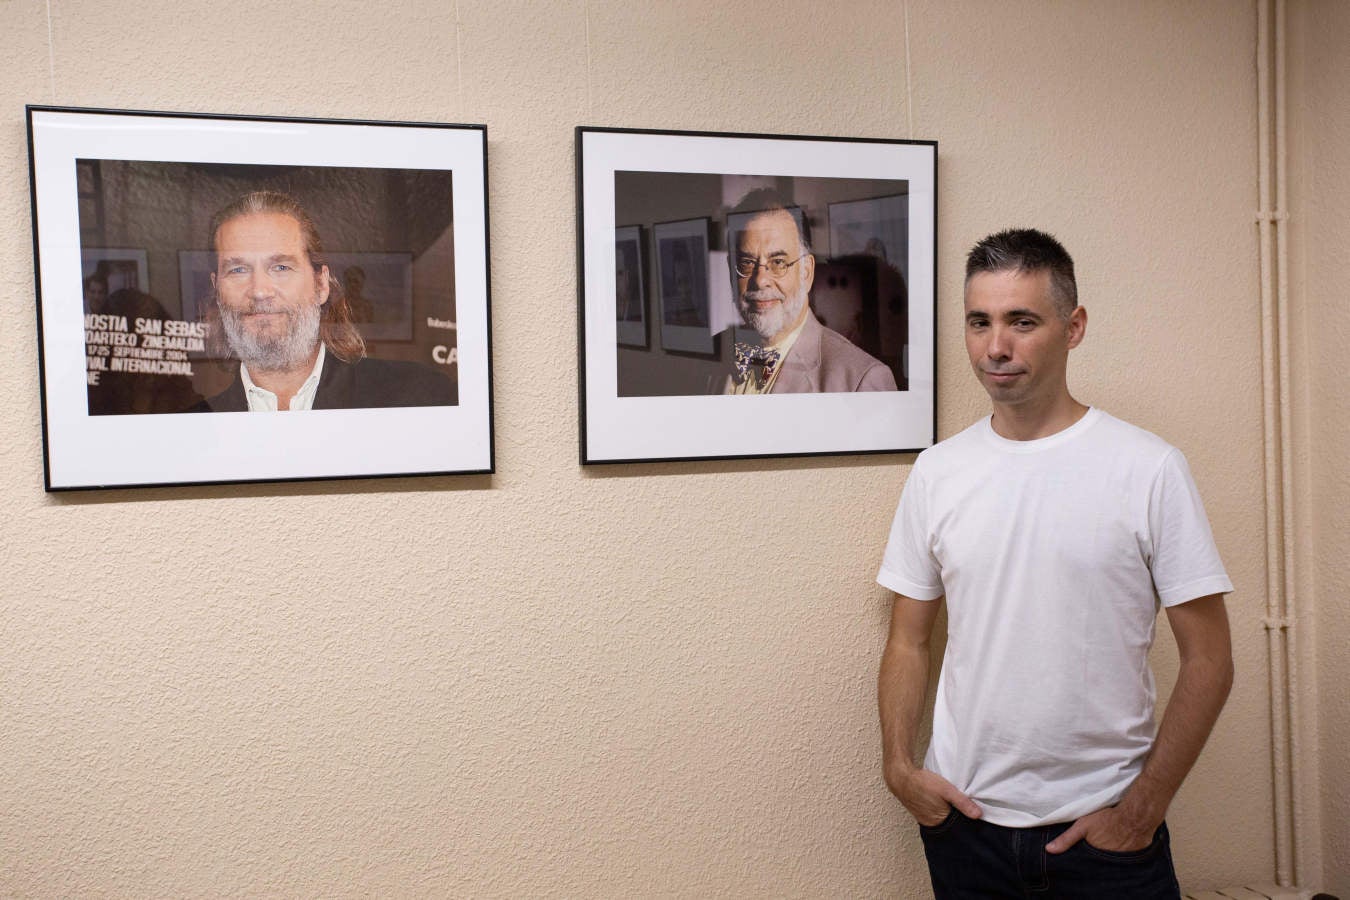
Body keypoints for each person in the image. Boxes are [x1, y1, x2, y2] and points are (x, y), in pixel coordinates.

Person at [876, 229, 1233, 897]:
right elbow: (907, 639)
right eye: (979, 322)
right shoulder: (938, 472)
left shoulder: (1148, 467)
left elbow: (1211, 659)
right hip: (967, 833)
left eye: (1022, 322)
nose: (996, 346)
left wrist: (1141, 811)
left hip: (1107, 842)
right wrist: (900, 767)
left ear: (1073, 328)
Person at [195, 190, 455, 412]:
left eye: (281, 267)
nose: (260, 290)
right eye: (238, 270)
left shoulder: (419, 398)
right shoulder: (191, 430)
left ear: (321, 285)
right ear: (217, 289)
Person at [722, 189, 896, 394]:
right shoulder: (713, 356)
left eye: (778, 262)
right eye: (747, 262)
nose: (760, 280)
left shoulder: (861, 380)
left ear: (806, 272)